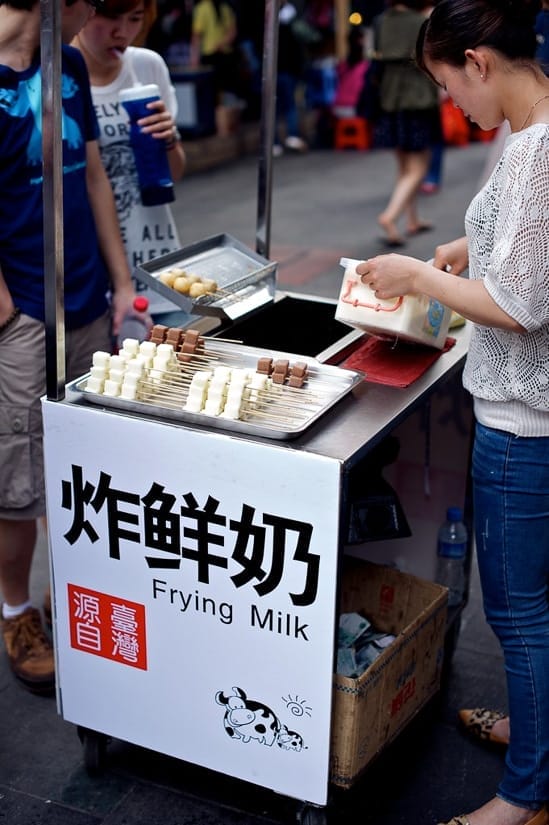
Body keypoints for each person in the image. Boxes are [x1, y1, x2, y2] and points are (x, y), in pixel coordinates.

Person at [356, 0, 549, 823]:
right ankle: (538, 738)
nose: (451, 105)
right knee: (535, 601)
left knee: (517, 609)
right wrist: (469, 245)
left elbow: (517, 301)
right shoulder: (530, 131)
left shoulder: (536, 145)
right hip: (528, 411)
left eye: (447, 84)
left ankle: (526, 795)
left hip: (520, 418)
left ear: (478, 61)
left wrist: (420, 278)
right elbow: (524, 251)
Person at [0, 0, 137, 695]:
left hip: (85, 294)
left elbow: (90, 176)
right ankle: (15, 610)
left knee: (85, 465)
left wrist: (119, 281)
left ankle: (72, 590)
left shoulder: (70, 61)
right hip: (21, 308)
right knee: (20, 477)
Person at [72, 0, 186, 316]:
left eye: (135, 19)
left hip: (155, 252)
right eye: (110, 18)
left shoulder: (148, 66)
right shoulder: (62, 74)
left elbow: (173, 175)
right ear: (83, 12)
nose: (122, 32)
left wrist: (169, 140)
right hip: (88, 265)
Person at [373, 0, 442, 246]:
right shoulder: (421, 22)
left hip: (390, 100)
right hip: (418, 100)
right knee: (418, 168)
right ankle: (390, 216)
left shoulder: (382, 21)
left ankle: (412, 219)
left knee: (404, 166)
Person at [273, 0, 308, 156]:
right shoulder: (292, 19)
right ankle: (289, 137)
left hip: (281, 69)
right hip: (284, 69)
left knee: (277, 106)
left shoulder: (287, 17)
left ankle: (279, 141)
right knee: (287, 106)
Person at [190, 0, 240, 104]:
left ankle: (215, 117)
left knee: (210, 92)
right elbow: (233, 32)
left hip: (210, 55)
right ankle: (223, 116)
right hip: (225, 53)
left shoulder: (202, 8)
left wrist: (194, 58)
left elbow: (197, 36)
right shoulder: (225, 7)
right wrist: (222, 43)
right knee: (224, 90)